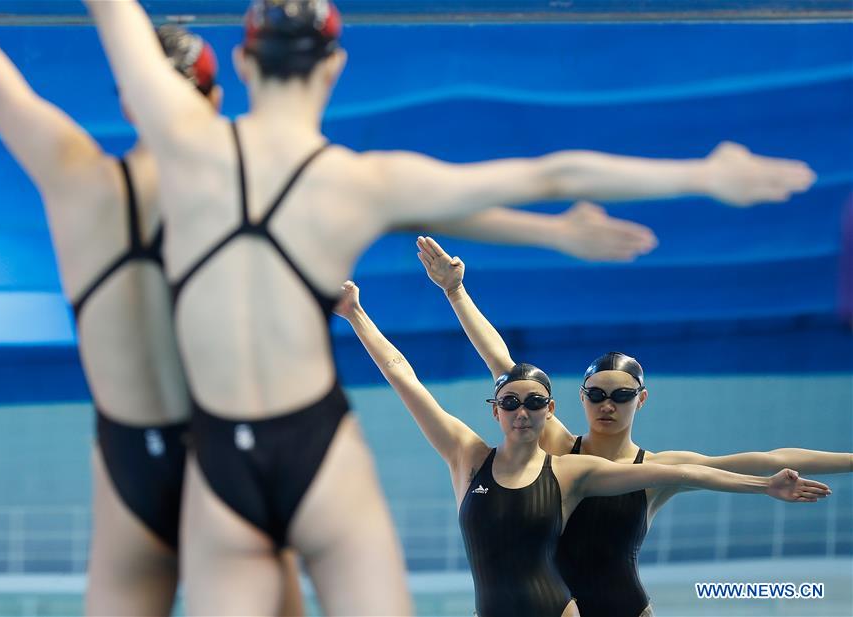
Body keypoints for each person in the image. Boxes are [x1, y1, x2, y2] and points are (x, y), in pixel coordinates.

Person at [84, 0, 816, 613]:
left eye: (544, 400)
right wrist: (688, 178)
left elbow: (713, 467)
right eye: (528, 400)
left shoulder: (167, 164)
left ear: (241, 68)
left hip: (191, 434)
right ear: (335, 66)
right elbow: (544, 175)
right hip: (308, 442)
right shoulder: (359, 181)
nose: (532, 409)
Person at [0, 6, 313, 615]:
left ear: (129, 104)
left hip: (127, 458)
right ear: (217, 96)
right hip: (227, 446)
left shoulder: (79, 179)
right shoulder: (248, 186)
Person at [333, 280, 831, 617]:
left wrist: (765, 484)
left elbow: (713, 470)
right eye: (596, 394)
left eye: (620, 395)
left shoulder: (576, 470)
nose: (522, 411)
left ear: (549, 409)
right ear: (496, 409)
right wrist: (427, 298)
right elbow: (423, 372)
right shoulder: (493, 455)